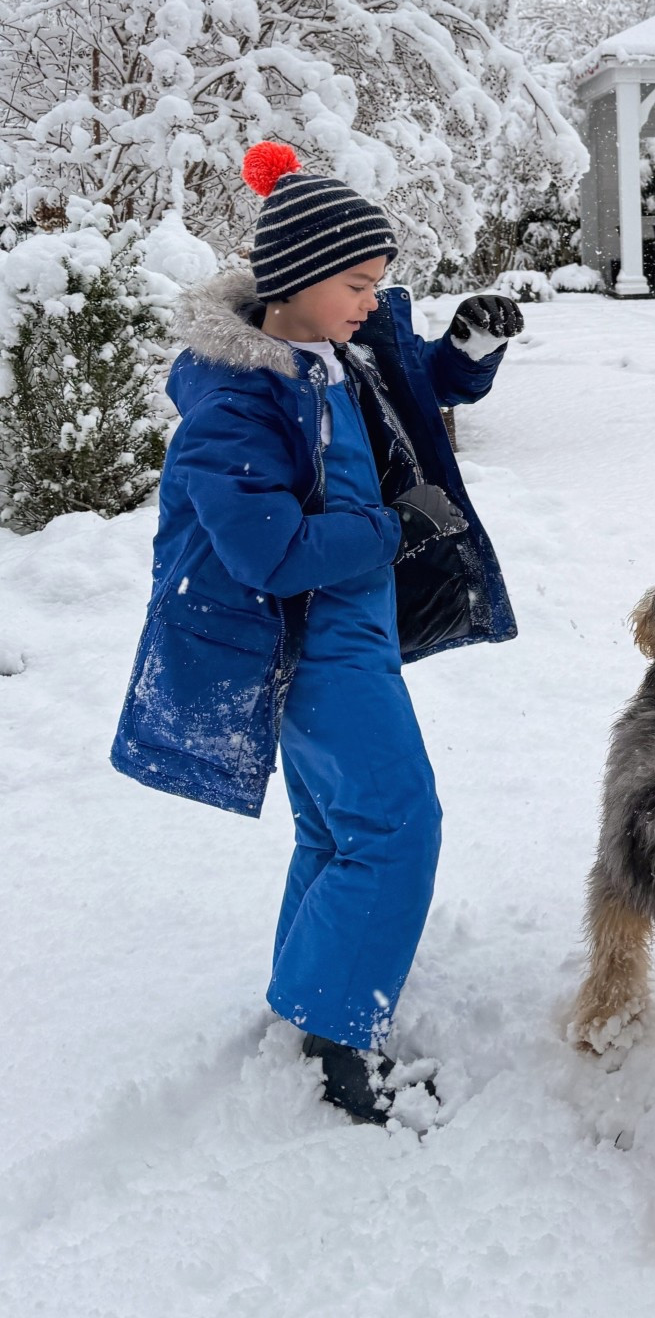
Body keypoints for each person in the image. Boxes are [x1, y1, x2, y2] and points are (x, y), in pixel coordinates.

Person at [112, 141, 524, 1121]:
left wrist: (465, 349)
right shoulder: (234, 396)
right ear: (292, 280)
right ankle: (347, 1047)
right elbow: (269, 551)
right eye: (356, 281)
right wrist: (391, 525)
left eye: (378, 281)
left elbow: (421, 386)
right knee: (395, 824)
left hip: (355, 629)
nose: (372, 300)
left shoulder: (337, 348)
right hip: (300, 646)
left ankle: (311, 1008)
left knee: (338, 826)